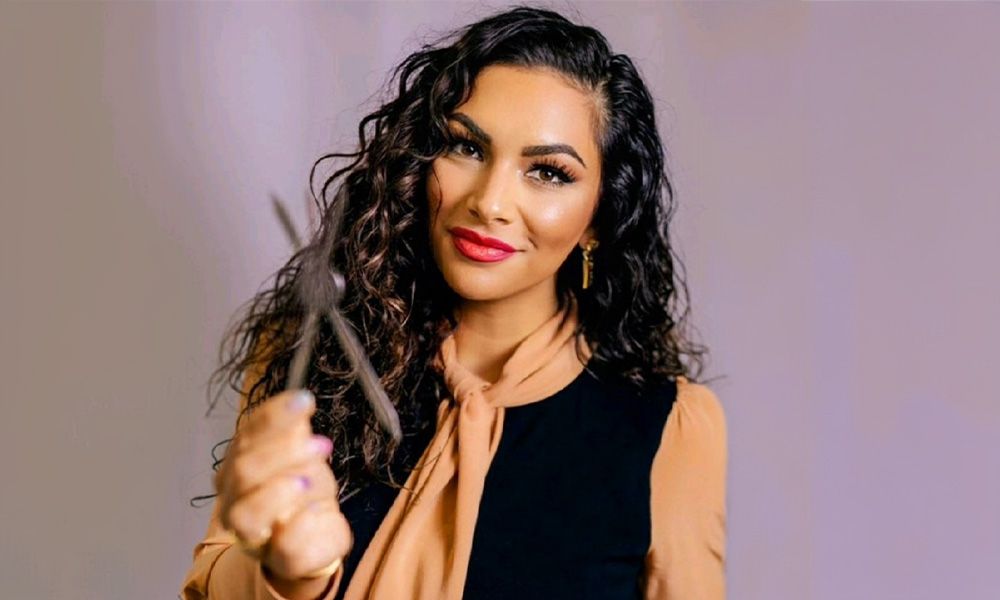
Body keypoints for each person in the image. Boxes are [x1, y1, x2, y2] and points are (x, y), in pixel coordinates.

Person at [180, 5, 726, 600]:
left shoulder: (666, 426)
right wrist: (288, 574)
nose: (489, 202)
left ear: (599, 217)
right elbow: (211, 584)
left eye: (548, 173)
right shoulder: (313, 356)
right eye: (466, 147)